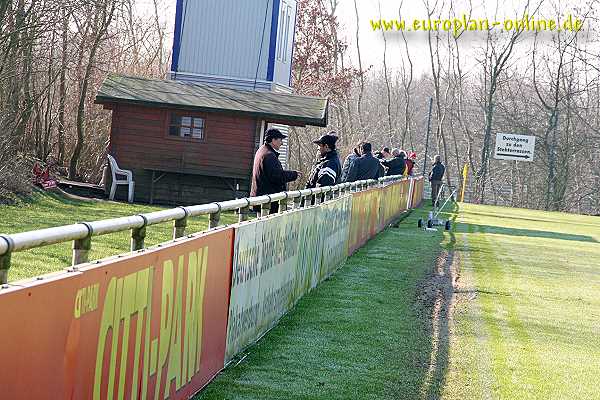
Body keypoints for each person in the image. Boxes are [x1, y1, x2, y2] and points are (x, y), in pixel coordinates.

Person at [250, 128, 300, 214]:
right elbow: (277, 176)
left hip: (261, 199)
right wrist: (294, 174)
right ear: (273, 140)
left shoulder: (261, 151)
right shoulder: (269, 155)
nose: (282, 143)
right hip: (268, 201)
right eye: (280, 140)